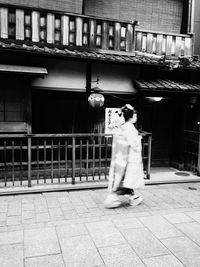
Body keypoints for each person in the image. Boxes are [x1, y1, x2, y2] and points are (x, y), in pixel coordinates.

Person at [104, 104, 144, 208]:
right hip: (129, 159)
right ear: (131, 116)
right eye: (135, 115)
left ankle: (132, 196)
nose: (136, 117)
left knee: (122, 179)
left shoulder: (121, 128)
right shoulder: (130, 129)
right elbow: (135, 146)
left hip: (120, 158)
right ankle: (113, 198)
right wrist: (139, 138)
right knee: (125, 180)